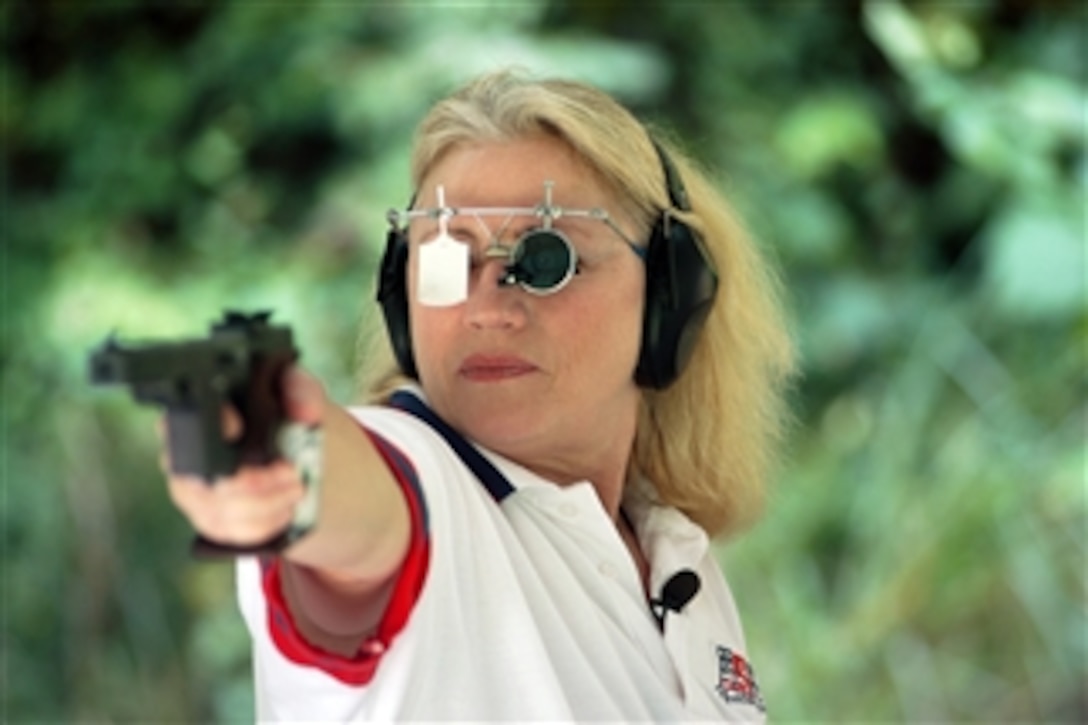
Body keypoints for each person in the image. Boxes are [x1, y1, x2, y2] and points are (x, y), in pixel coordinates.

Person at [166, 70, 796, 721]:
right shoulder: (424, 486)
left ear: (670, 298)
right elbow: (354, 512)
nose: (486, 308)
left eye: (548, 259)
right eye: (445, 257)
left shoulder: (675, 557)